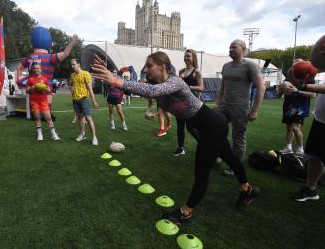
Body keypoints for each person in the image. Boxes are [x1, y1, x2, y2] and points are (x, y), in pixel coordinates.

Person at [92, 52, 259, 225]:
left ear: (163, 67)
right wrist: (113, 75)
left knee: (202, 171)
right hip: (209, 125)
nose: (146, 69)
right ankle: (247, 189)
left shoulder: (175, 81)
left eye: (150, 66)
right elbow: (141, 87)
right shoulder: (156, 84)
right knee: (230, 157)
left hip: (212, 125)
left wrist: (115, 80)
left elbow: (152, 91)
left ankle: (186, 213)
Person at [281, 34, 325, 202]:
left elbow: (315, 92)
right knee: (315, 155)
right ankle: (311, 188)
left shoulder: (309, 82)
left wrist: (301, 87)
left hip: (305, 110)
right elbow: (316, 61)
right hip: (321, 118)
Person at [214, 39, 266, 176]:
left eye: (234, 47)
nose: (230, 49)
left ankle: (234, 167)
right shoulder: (226, 66)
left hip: (240, 108)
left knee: (238, 138)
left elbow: (261, 87)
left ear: (243, 49)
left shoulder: (250, 65)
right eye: (229, 47)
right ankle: (220, 155)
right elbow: (223, 87)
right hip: (224, 106)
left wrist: (254, 110)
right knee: (217, 132)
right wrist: (218, 102)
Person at [17, 27, 78, 119]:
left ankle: (36, 115)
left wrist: (20, 81)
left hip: (32, 85)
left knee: (34, 102)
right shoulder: (50, 57)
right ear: (49, 41)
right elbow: (65, 53)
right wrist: (72, 42)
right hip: (46, 85)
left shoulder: (29, 57)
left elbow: (19, 69)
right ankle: (46, 115)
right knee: (47, 102)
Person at [278, 59, 315, 155]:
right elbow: (279, 95)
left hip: (300, 108)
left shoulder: (310, 80)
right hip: (289, 106)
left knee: (295, 128)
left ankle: (300, 149)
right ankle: (288, 147)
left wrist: (297, 91)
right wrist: (281, 90)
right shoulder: (287, 80)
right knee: (289, 128)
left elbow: (313, 95)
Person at [174, 49, 202, 156]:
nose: (186, 58)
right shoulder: (181, 71)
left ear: (193, 58)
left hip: (191, 103)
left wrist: (187, 87)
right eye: (185, 56)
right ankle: (181, 148)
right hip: (179, 103)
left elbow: (201, 87)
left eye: (188, 56)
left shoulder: (197, 72)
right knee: (180, 127)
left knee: (191, 128)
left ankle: (205, 144)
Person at [26, 63, 60, 141]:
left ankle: (54, 134)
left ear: (41, 70)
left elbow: (48, 90)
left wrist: (45, 88)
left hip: (43, 101)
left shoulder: (44, 79)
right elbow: (27, 91)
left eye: (38, 68)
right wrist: (33, 88)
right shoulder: (30, 79)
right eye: (35, 68)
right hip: (34, 101)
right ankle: (40, 134)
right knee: (37, 118)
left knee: (48, 118)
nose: (36, 70)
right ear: (33, 70)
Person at [70, 59, 99, 145]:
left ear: (78, 64)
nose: (72, 66)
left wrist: (94, 101)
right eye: (71, 65)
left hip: (84, 99)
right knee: (79, 118)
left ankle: (94, 137)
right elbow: (71, 85)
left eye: (74, 64)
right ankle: (83, 134)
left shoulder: (85, 74)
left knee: (88, 118)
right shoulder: (72, 75)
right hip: (75, 100)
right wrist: (72, 91)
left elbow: (90, 89)